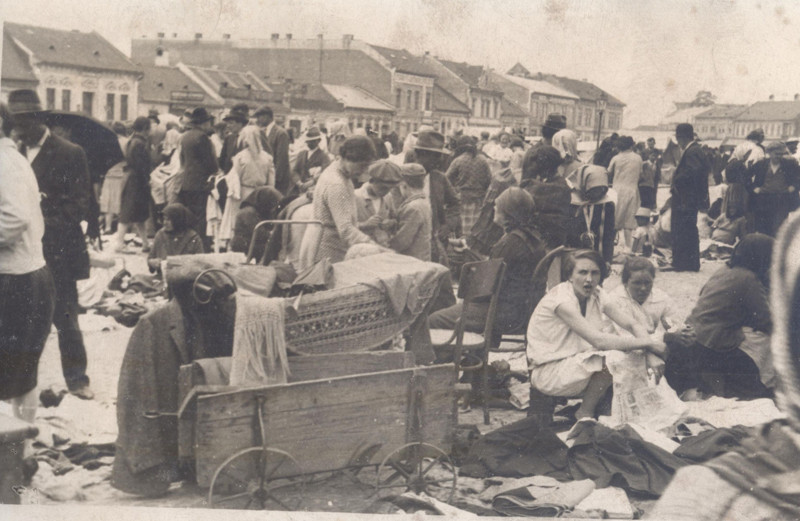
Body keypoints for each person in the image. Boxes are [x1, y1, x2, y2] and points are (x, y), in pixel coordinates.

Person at [9, 89, 94, 399]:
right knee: (23, 320)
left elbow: (78, 205)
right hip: (24, 253)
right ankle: (21, 384)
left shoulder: (70, 153)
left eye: (22, 123)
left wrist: (38, 220)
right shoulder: (14, 153)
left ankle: (77, 379)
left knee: (66, 317)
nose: (17, 130)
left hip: (58, 251)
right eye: (13, 124)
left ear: (37, 120)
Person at [527, 249, 667, 419]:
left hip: (573, 365)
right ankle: (585, 412)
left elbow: (631, 323)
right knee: (616, 358)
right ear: (570, 276)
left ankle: (613, 411)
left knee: (632, 354)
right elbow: (599, 340)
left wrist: (650, 353)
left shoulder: (598, 294)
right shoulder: (561, 300)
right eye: (582, 272)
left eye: (595, 273)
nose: (589, 279)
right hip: (548, 371)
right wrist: (649, 344)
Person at [0, 102, 56, 442]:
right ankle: (23, 452)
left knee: (14, 375)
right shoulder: (16, 159)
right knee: (22, 374)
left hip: (14, 280)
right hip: (29, 274)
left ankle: (16, 455)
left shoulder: (4, 162)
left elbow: (16, 218)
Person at [665, 233, 774, 400]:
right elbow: (766, 320)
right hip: (712, 344)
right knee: (761, 352)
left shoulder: (724, 270)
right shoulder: (749, 279)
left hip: (692, 338)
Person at [431, 187, 547, 341]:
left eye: (498, 205)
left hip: (502, 313)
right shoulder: (531, 238)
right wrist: (469, 252)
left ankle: (450, 359)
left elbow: (483, 289)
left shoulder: (509, 243)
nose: (494, 207)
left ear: (508, 212)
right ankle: (470, 357)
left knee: (433, 320)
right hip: (521, 310)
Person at [312, 135, 377, 263]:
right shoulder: (337, 184)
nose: (364, 171)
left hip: (331, 248)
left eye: (367, 166)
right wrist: (375, 248)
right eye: (362, 165)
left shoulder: (338, 173)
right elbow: (346, 230)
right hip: (329, 253)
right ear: (347, 158)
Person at [218, 125, 275, 247]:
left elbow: (234, 179)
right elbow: (271, 183)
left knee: (237, 223)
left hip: (242, 193)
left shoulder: (240, 157)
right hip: (260, 195)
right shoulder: (267, 158)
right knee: (255, 223)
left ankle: (235, 247)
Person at [412, 130, 461, 265]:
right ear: (419, 155)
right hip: (411, 242)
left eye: (439, 156)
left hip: (434, 240)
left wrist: (447, 225)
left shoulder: (439, 178)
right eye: (434, 156)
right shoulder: (403, 178)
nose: (439, 160)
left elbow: (455, 204)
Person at [670, 123, 710, 271]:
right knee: (688, 229)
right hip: (688, 199)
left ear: (682, 138)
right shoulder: (695, 150)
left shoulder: (692, 151)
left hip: (685, 199)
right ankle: (689, 263)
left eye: (678, 138)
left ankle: (682, 263)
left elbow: (693, 173)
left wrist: (677, 178)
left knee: (682, 230)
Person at [179, 107, 219, 248]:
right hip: (200, 183)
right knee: (201, 217)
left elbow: (182, 159)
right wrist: (216, 170)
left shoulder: (186, 136)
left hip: (187, 182)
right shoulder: (202, 138)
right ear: (204, 123)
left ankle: (189, 245)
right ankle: (201, 246)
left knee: (189, 216)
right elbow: (209, 163)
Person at [608, 257, 677, 337]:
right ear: (625, 283)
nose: (643, 288)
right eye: (637, 283)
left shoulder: (661, 298)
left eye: (647, 283)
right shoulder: (615, 299)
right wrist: (668, 337)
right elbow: (628, 336)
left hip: (653, 340)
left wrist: (679, 331)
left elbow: (675, 323)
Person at [115, 116, 152, 253]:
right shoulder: (139, 143)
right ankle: (119, 244)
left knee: (139, 213)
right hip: (137, 181)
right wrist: (147, 180)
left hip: (132, 179)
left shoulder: (133, 140)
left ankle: (146, 243)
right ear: (145, 128)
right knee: (128, 211)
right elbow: (140, 166)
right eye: (149, 128)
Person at [748, 141, 800, 237]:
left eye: (781, 154)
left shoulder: (789, 164)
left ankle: (774, 247)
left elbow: (798, 177)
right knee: (763, 227)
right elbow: (746, 175)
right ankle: (765, 248)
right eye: (776, 154)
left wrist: (794, 186)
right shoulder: (761, 164)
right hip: (764, 199)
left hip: (782, 199)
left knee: (779, 227)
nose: (779, 156)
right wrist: (754, 188)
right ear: (770, 153)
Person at [445, 135, 491, 237]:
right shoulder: (483, 160)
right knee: (475, 229)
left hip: (462, 198)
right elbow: (489, 180)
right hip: (479, 199)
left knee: (463, 230)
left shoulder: (458, 160)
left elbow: (446, 179)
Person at [389, 164, 433, 261]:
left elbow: (401, 242)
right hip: (421, 258)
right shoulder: (423, 202)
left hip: (412, 261)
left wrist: (382, 245)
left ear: (404, 185)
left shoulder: (413, 207)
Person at [146, 203, 204, 275]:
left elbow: (200, 264)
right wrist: (152, 262)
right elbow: (150, 258)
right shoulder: (161, 234)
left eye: (168, 220)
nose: (165, 223)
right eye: (164, 219)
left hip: (185, 279)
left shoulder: (193, 238)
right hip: (162, 279)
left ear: (178, 220)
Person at [607, 135, 642, 253]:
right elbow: (640, 174)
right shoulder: (638, 158)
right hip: (632, 190)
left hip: (617, 191)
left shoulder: (616, 158)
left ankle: (609, 247)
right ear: (631, 145)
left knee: (614, 219)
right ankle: (628, 247)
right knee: (629, 221)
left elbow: (608, 172)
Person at [229, 186, 283, 262]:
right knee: (273, 248)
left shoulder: (259, 211)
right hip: (245, 246)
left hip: (252, 243)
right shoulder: (248, 212)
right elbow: (259, 233)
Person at [355, 159, 401, 246]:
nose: (386, 192)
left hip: (383, 247)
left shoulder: (388, 197)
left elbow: (395, 218)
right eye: (383, 188)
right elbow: (344, 228)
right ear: (371, 180)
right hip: (363, 248)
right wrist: (364, 225)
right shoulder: (355, 197)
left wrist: (391, 223)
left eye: (390, 189)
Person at [254, 105, 291, 195]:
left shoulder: (280, 133)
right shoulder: (262, 132)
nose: (258, 120)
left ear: (267, 117)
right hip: (267, 177)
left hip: (278, 180)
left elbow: (281, 159)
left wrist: (274, 180)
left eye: (259, 117)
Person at [292, 126, 331, 194]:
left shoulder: (324, 156)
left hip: (314, 190)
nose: (308, 143)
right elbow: (295, 170)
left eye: (312, 141)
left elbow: (326, 174)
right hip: (298, 189)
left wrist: (312, 182)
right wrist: (299, 183)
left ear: (318, 141)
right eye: (307, 141)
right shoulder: (301, 154)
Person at [218, 103, 249, 174]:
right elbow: (223, 160)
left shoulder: (249, 138)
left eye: (231, 123)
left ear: (240, 123)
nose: (228, 126)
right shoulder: (229, 138)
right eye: (227, 123)